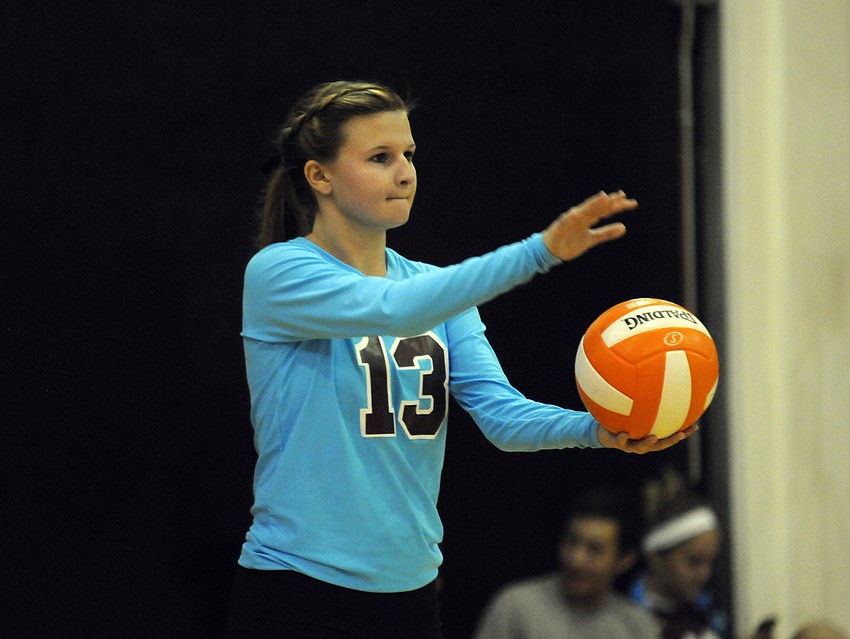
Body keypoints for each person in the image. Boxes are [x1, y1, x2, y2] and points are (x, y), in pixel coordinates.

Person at [224, 79, 697, 639]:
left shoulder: (433, 289)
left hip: (410, 596)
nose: (404, 172)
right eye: (380, 157)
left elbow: (502, 418)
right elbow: (391, 311)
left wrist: (599, 430)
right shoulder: (281, 273)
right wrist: (539, 253)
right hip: (297, 592)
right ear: (319, 176)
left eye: (408, 154)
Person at [473, 486, 661, 639]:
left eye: (594, 549)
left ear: (624, 560)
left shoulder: (638, 627)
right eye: (572, 541)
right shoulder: (517, 607)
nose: (576, 560)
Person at [629, 490, 727, 639]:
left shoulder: (709, 611)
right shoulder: (626, 618)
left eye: (710, 562)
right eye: (694, 561)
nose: (705, 574)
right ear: (655, 558)